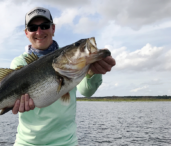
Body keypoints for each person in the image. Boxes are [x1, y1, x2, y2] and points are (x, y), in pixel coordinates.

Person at [10, 7, 116, 146]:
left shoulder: (71, 63)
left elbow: (87, 91)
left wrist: (92, 72)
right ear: (26, 33)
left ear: (53, 29)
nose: (39, 31)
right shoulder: (20, 63)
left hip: (66, 142)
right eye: (32, 27)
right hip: (27, 143)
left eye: (45, 26)